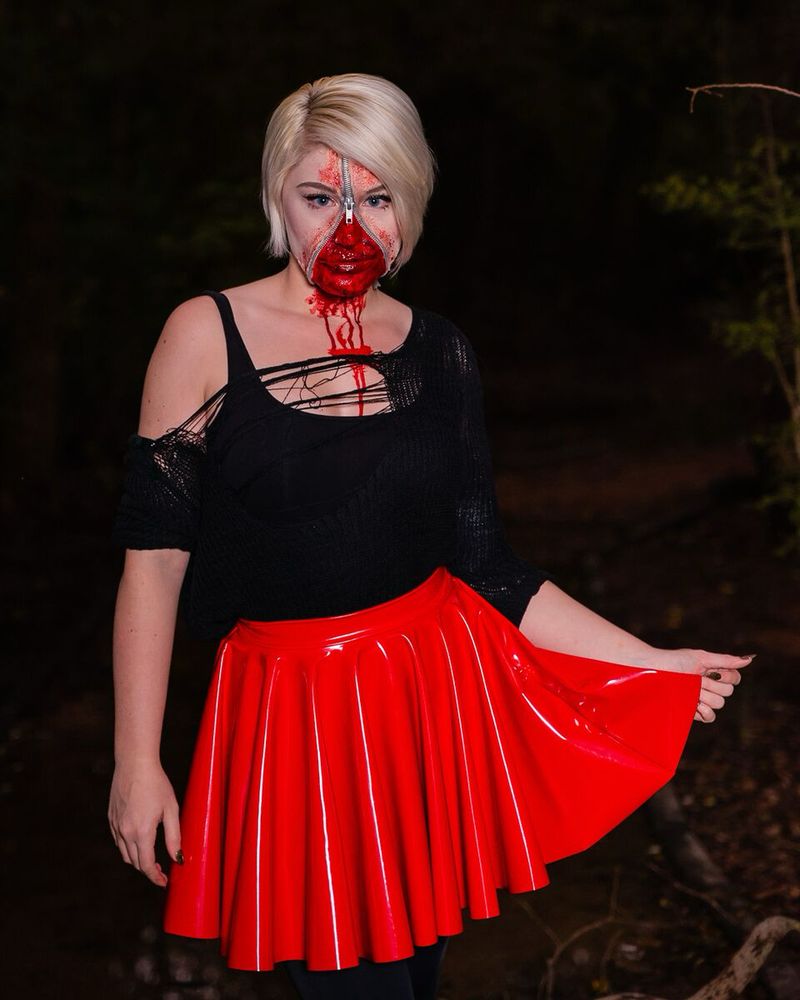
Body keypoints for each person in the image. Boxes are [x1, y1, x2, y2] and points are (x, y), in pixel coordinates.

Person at [107, 73, 753, 1000]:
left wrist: (650, 662)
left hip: (432, 707)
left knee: (417, 981)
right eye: (320, 196)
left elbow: (486, 563)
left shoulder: (438, 349)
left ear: (409, 204)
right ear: (275, 195)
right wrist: (136, 762)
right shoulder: (204, 335)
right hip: (299, 724)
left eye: (377, 198)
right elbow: (154, 565)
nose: (349, 227)